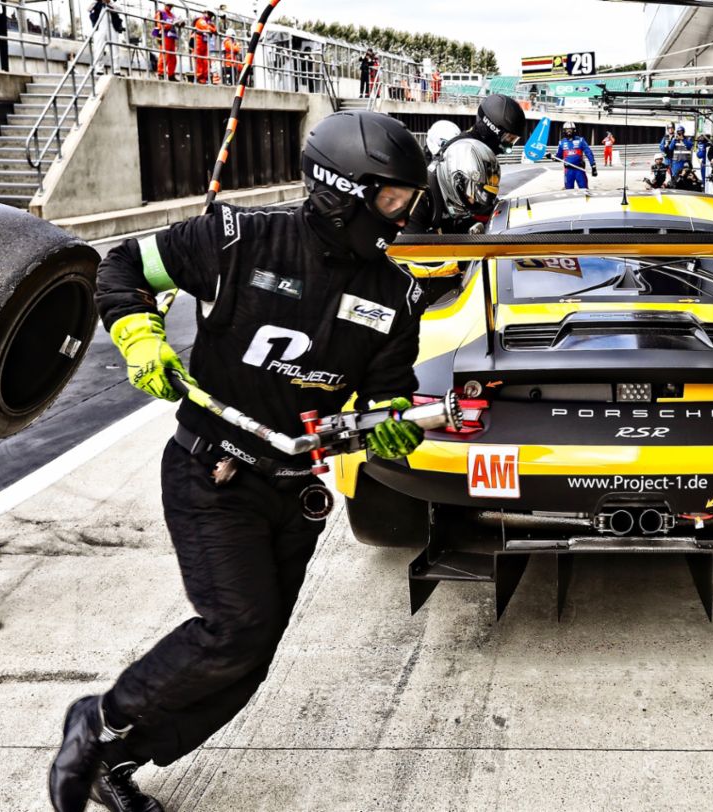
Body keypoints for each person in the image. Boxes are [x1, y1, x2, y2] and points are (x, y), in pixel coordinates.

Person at [47, 111, 430, 812]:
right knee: (235, 628)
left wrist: (389, 427)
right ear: (343, 188)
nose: (403, 212)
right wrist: (138, 334)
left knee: (248, 661)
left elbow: (382, 399)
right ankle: (97, 720)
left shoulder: (397, 297)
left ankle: (119, 758)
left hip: (294, 491)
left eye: (408, 199)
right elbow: (124, 266)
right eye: (393, 197)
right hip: (211, 472)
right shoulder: (236, 237)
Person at [405, 138, 500, 236]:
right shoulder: (415, 198)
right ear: (455, 179)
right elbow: (411, 248)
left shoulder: (474, 200)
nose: (473, 201)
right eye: (471, 195)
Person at [451, 93, 526, 155]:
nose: (509, 145)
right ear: (492, 128)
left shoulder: (483, 152)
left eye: (513, 139)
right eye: (508, 138)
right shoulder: (461, 148)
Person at [554, 121, 597, 190]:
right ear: (564, 131)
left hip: (579, 170)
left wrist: (593, 166)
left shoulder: (581, 140)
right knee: (568, 191)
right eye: (567, 130)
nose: (568, 131)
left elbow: (589, 153)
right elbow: (558, 157)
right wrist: (551, 157)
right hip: (568, 171)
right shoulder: (561, 143)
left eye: (570, 129)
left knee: (584, 190)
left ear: (574, 130)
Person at [152, 3, 178, 81]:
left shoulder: (173, 15)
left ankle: (171, 75)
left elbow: (175, 23)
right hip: (164, 36)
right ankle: (161, 73)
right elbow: (159, 25)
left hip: (172, 37)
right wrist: (169, 25)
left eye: (171, 6)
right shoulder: (160, 12)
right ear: (165, 5)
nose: (170, 7)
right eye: (169, 5)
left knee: (173, 57)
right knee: (164, 56)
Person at [191, 10, 216, 84]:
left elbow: (214, 29)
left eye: (211, 15)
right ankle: (199, 77)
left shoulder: (209, 22)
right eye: (209, 14)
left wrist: (213, 28)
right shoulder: (200, 20)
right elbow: (207, 28)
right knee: (198, 59)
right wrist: (213, 29)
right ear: (205, 13)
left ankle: (205, 77)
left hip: (205, 42)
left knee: (206, 60)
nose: (210, 16)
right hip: (198, 40)